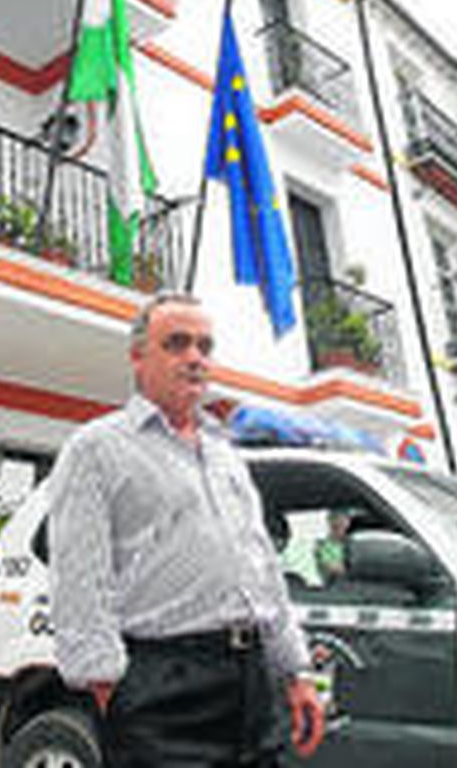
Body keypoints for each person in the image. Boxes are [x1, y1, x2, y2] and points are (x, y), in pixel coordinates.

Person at [48, 292, 326, 765]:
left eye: (205, 346)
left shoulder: (225, 454)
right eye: (177, 343)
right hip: (162, 687)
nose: (195, 358)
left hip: (254, 683)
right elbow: (78, 573)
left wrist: (294, 670)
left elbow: (262, 570)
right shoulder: (96, 448)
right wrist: (107, 684)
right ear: (138, 357)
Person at [313, 510, 351, 586]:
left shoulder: (351, 543)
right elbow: (331, 567)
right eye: (336, 527)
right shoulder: (322, 546)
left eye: (343, 527)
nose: (340, 531)